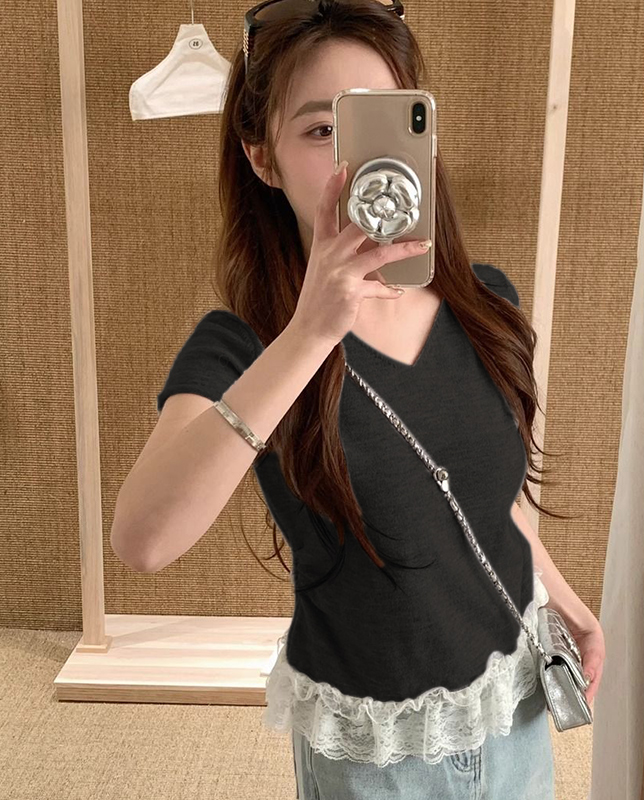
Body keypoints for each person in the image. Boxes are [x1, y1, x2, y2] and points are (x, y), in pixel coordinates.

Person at [110, 1, 605, 798]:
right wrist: (310, 333)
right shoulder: (242, 348)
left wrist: (563, 600)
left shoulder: (487, 306)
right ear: (261, 157)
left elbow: (483, 498)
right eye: (319, 130)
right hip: (374, 752)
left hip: (511, 711)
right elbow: (143, 540)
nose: (357, 165)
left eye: (382, 123)